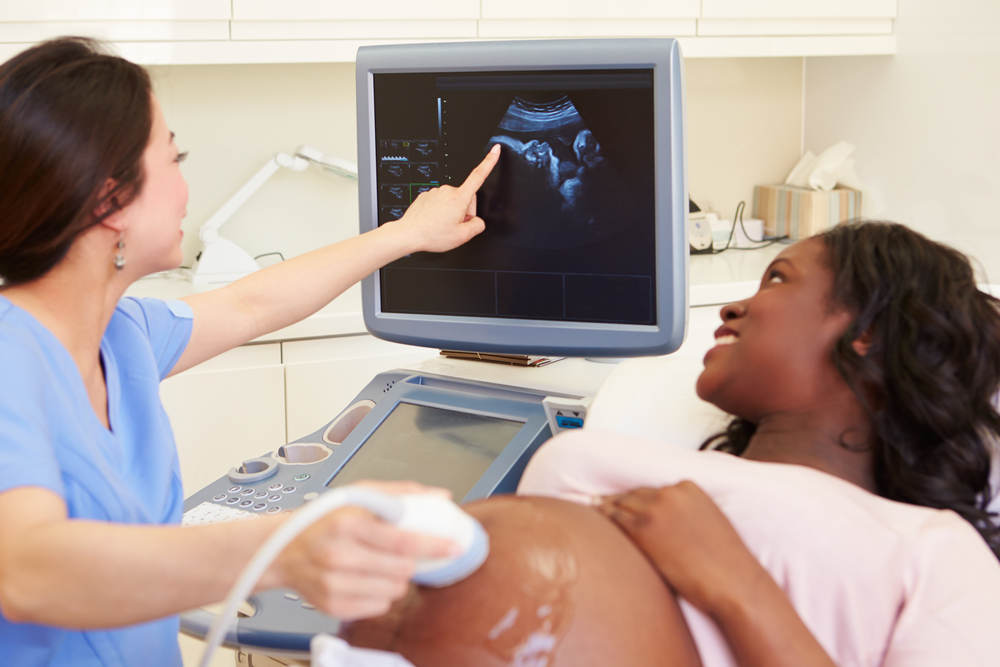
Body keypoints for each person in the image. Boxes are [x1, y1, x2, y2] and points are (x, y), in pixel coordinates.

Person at [0, 37, 499, 666]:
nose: (186, 189)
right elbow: (27, 572)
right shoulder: (9, 362)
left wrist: (406, 235)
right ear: (108, 202)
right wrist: (288, 547)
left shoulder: (122, 335)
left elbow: (251, 304)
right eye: (173, 158)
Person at [519, 221, 1000, 666]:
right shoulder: (590, 464)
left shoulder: (935, 552)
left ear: (866, 332)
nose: (732, 308)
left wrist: (735, 583)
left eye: (776, 279)